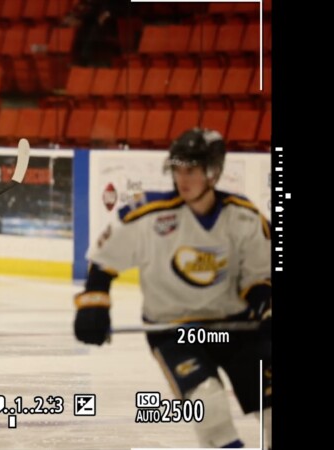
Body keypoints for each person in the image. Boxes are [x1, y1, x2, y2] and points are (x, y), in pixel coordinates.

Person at [72, 128, 272, 448]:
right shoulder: (148, 216)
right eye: (177, 169)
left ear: (213, 172)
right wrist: (94, 305)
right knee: (210, 406)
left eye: (190, 170)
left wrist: (267, 310)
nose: (182, 179)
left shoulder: (244, 217)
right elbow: (103, 264)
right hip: (176, 333)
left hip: (237, 329)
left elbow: (260, 279)